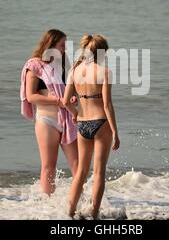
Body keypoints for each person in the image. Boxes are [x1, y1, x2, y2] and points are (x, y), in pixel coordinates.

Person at [62, 34, 120, 219]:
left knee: (80, 172)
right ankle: (94, 214)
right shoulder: (104, 72)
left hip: (82, 124)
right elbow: (107, 105)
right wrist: (115, 132)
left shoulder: (74, 71)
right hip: (101, 123)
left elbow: (65, 101)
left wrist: (75, 115)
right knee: (99, 172)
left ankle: (69, 213)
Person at [20, 29, 78, 195]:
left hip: (67, 119)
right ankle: (48, 206)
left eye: (66, 45)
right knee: (49, 167)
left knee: (78, 166)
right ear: (50, 45)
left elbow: (67, 93)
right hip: (47, 121)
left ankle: (79, 202)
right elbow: (31, 96)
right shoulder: (34, 65)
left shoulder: (61, 66)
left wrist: (72, 99)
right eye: (62, 45)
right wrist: (59, 101)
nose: (65, 48)